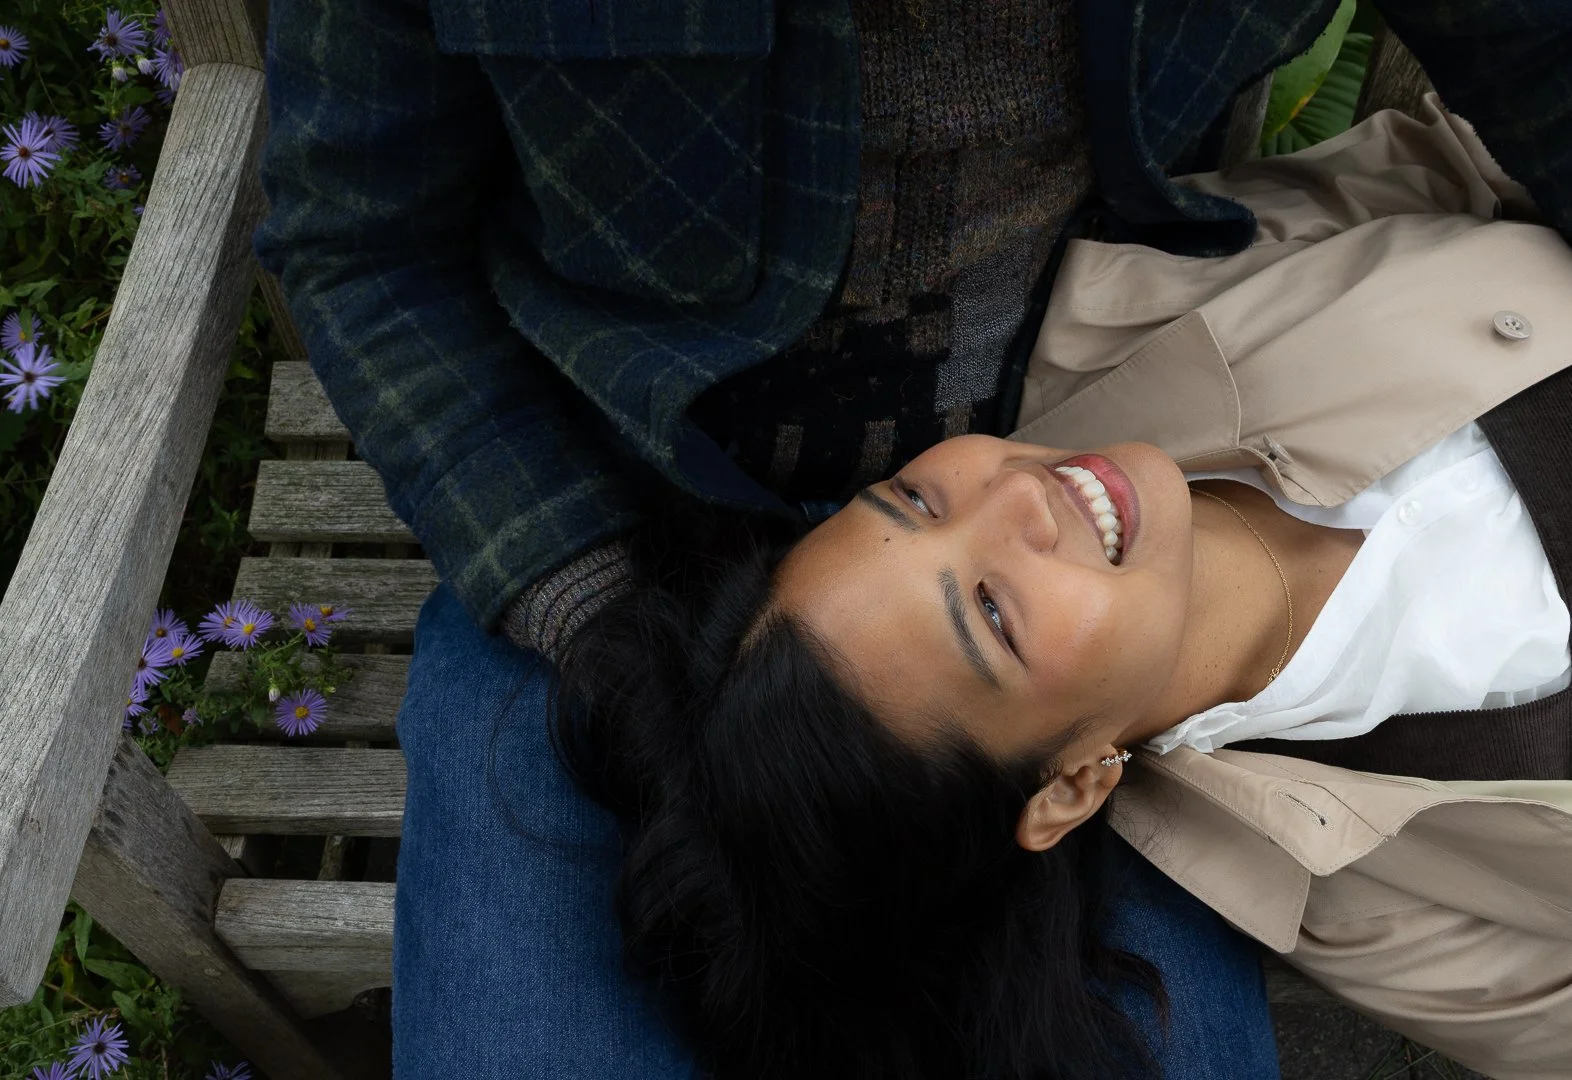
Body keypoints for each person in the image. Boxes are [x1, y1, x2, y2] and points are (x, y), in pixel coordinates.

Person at [252, 0, 1572, 1074]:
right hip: (604, 511)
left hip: (1082, 467)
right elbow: (363, 252)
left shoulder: (1083, 548)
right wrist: (597, 615)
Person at [551, 100, 1572, 1080]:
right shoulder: (1365, 904)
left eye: (912, 499)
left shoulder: (1129, 307)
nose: (1017, 497)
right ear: (1074, 784)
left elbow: (1470, 150)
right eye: (990, 614)